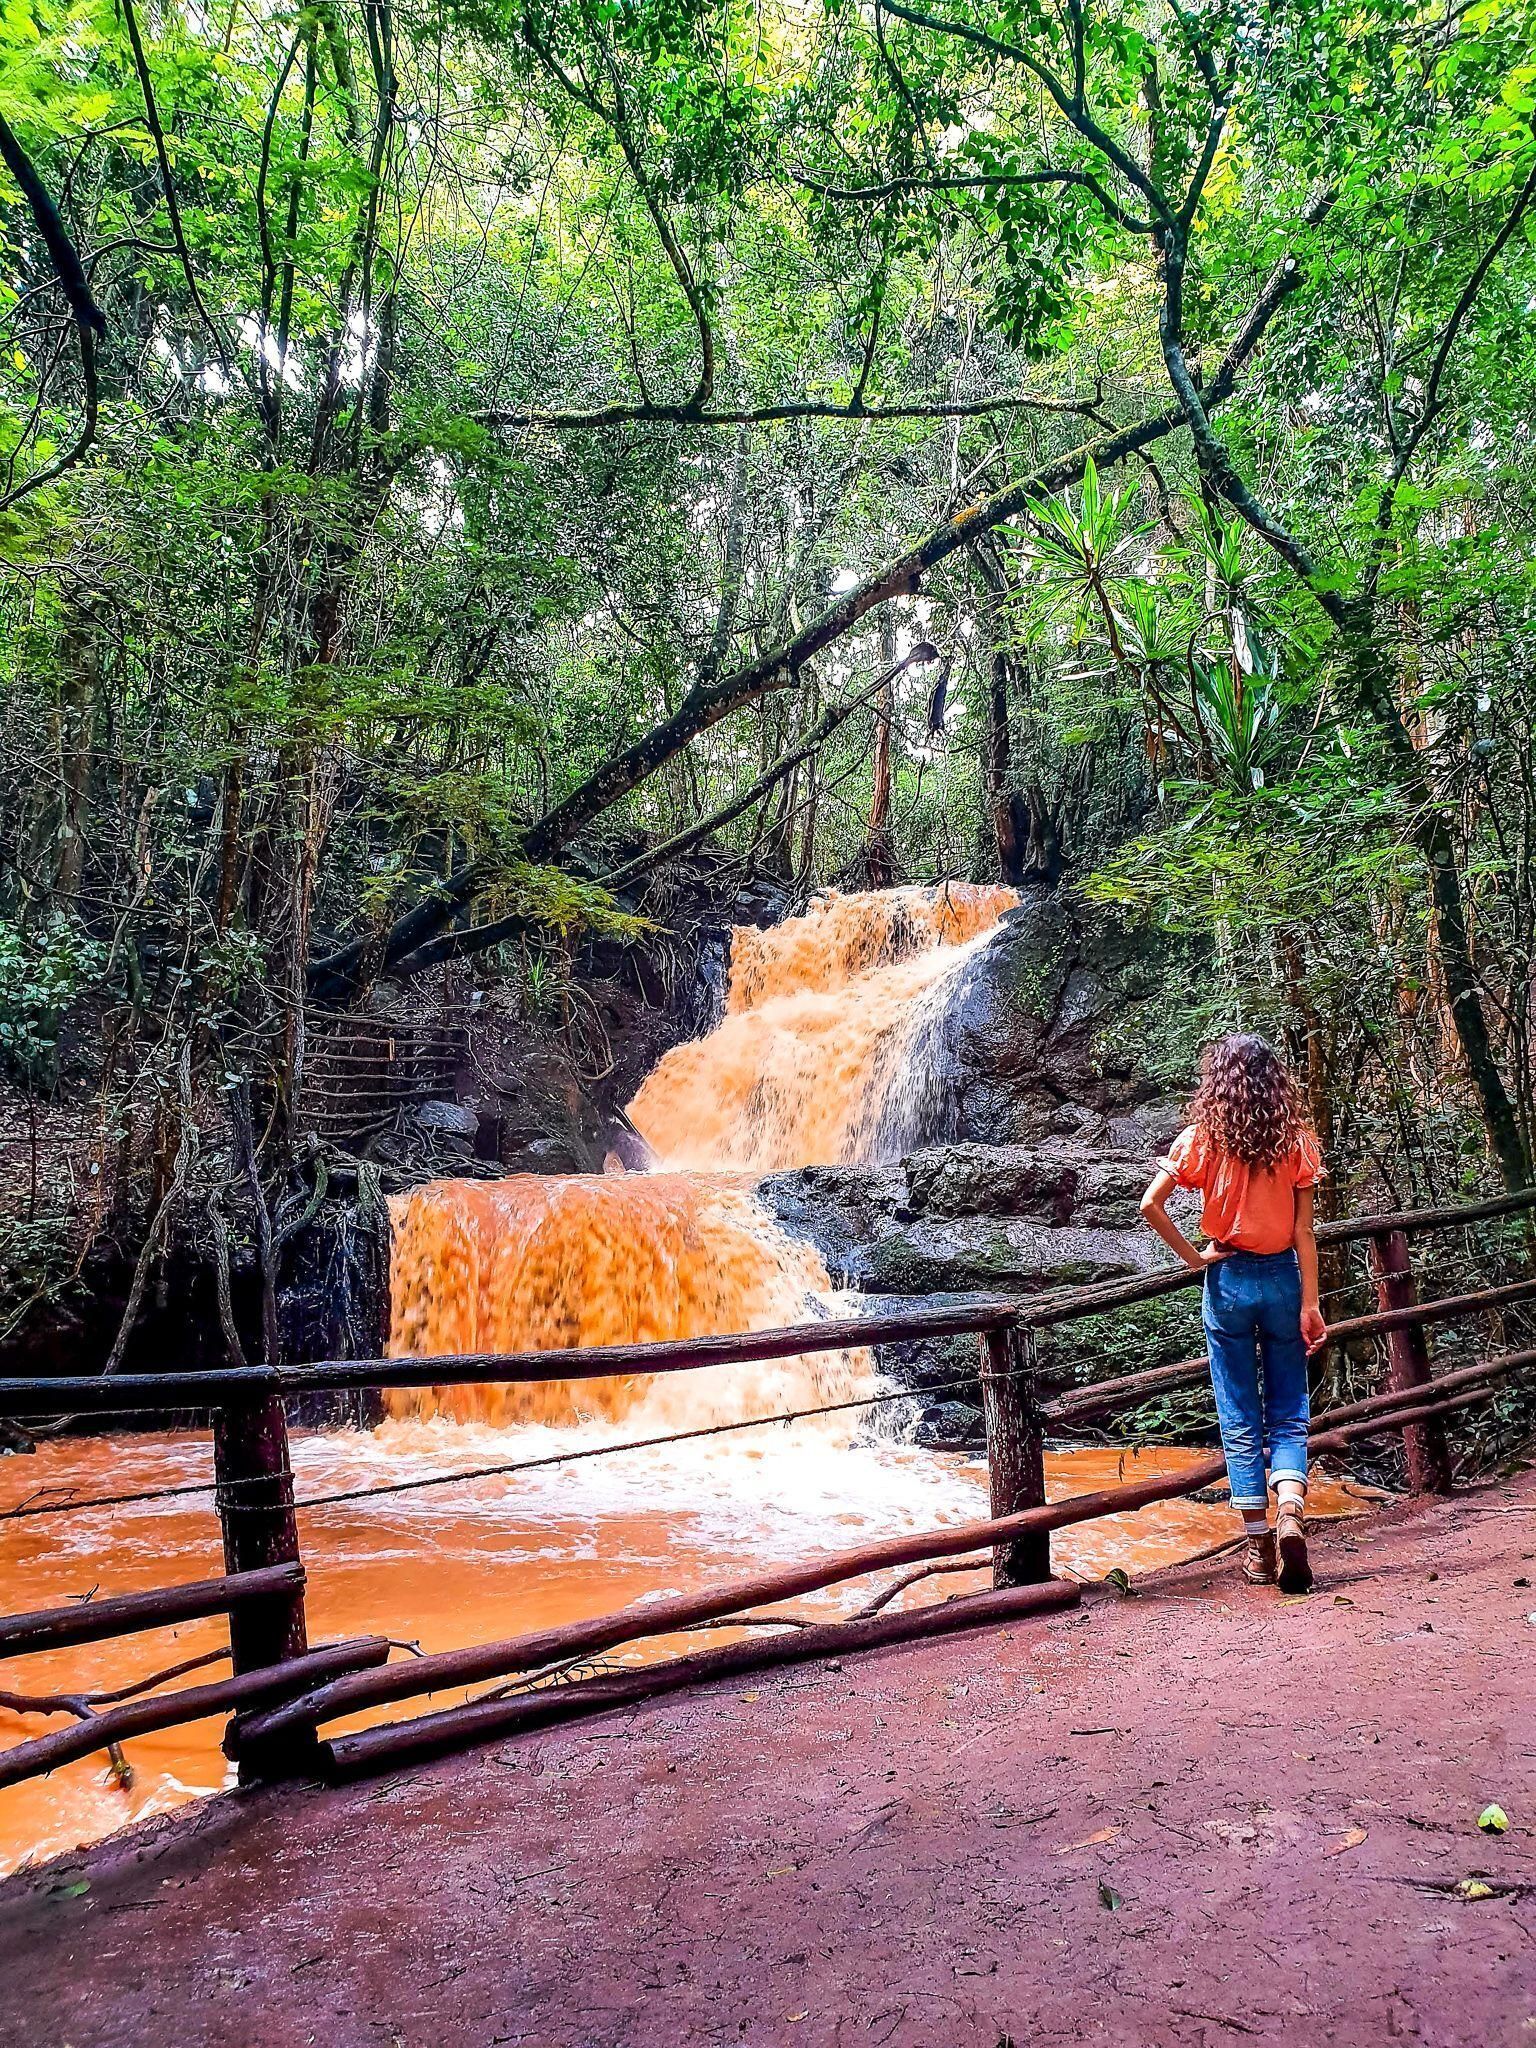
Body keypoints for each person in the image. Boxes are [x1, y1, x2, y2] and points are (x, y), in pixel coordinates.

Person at [1139, 1033, 1327, 1593]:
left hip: (1228, 1281)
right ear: (1276, 1083)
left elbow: (1151, 1204)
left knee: (1239, 1413)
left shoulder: (1203, 1139)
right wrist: (1311, 1303)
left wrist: (1196, 1258)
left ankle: (1259, 1548)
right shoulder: (1296, 1141)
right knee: (1289, 1407)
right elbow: (1304, 1232)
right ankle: (1290, 1506)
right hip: (1285, 1280)